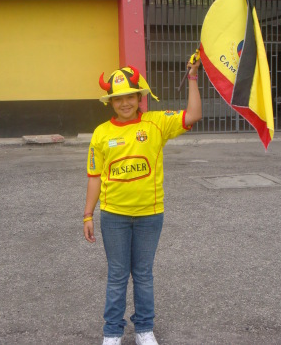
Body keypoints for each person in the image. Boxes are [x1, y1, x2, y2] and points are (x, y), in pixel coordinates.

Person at [83, 55, 202, 345]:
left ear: (140, 97)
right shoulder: (101, 133)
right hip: (113, 217)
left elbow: (194, 115)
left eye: (130, 97)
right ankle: (112, 332)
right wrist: (88, 214)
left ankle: (144, 330)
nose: (125, 103)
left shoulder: (156, 124)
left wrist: (193, 78)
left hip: (150, 215)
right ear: (111, 102)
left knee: (144, 274)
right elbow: (95, 177)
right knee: (117, 275)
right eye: (118, 98)